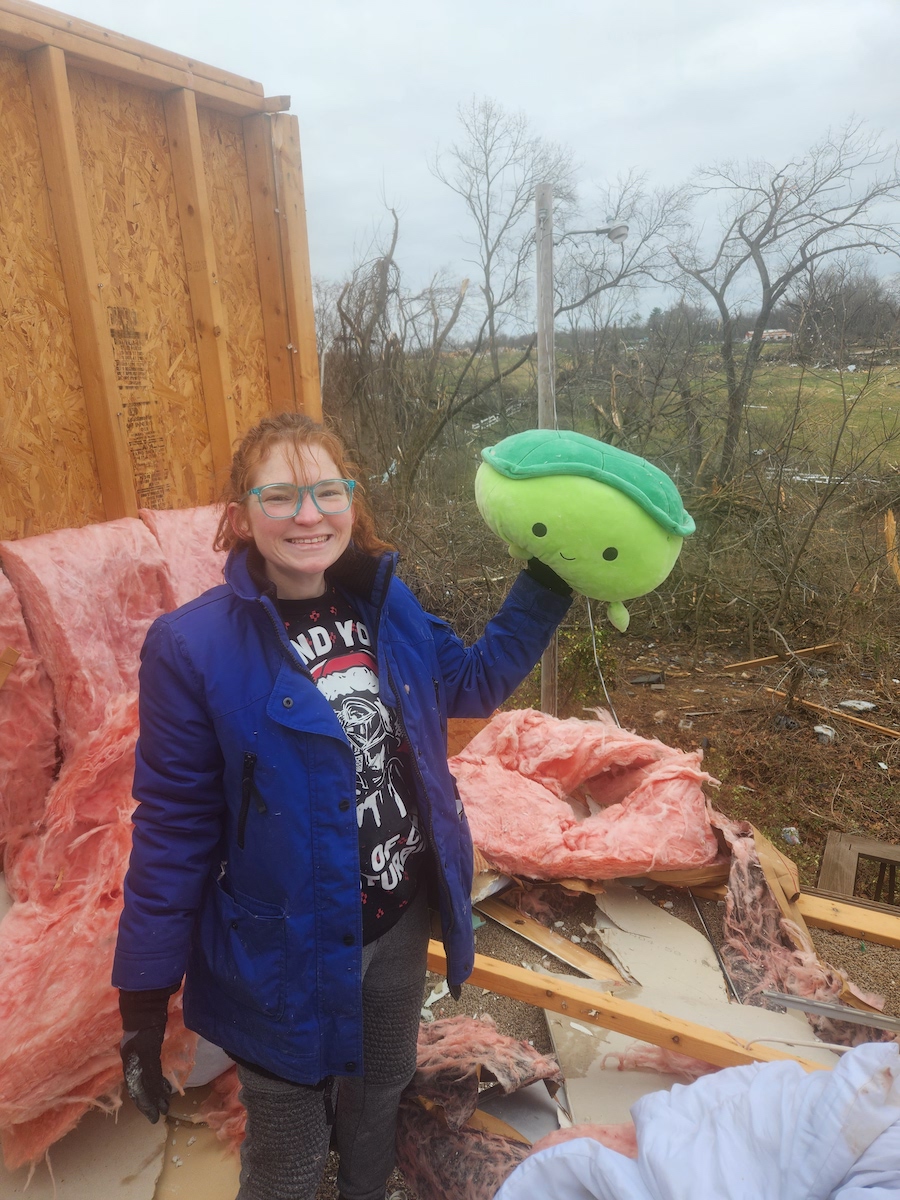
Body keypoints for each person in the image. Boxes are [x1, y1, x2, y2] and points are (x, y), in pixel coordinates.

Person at [113, 412, 572, 1200]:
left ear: (351, 502)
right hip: (282, 953)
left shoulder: (383, 604)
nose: (306, 515)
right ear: (240, 511)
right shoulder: (193, 647)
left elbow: (469, 682)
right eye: (280, 494)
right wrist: (144, 999)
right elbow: (174, 828)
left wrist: (548, 584)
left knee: (384, 1082)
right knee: (289, 1151)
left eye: (326, 491)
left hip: (399, 914)